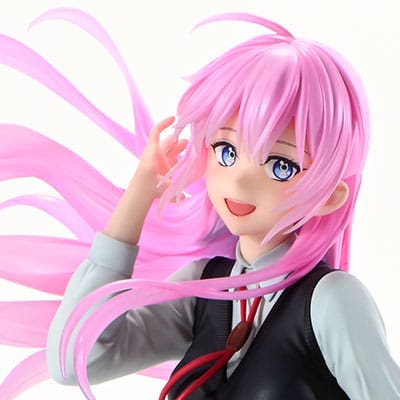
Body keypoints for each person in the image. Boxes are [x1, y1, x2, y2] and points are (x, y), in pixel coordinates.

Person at [0, 8, 399, 400]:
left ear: (329, 196)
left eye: (281, 165)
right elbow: (74, 360)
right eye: (227, 150)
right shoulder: (206, 289)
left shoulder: (331, 301)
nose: (240, 179)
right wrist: (139, 194)